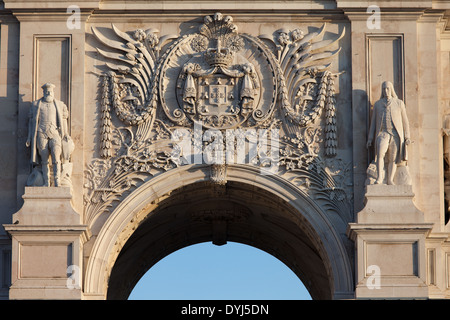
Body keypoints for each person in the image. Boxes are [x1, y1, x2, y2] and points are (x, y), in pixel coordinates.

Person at [367, 81, 411, 185]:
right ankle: (379, 178)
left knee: (393, 158)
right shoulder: (378, 104)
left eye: (387, 88)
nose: (386, 91)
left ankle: (390, 179)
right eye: (384, 89)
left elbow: (405, 122)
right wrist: (370, 138)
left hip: (395, 135)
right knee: (380, 154)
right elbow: (373, 123)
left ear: (391, 89)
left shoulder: (399, 103)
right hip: (383, 133)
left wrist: (407, 137)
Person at [26, 83, 70, 187]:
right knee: (44, 159)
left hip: (54, 133)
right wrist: (29, 137)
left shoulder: (59, 104)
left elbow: (63, 121)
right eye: (46, 91)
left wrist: (66, 134)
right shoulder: (36, 104)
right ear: (44, 92)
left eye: (50, 91)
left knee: (56, 156)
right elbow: (32, 123)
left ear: (53, 92)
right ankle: (46, 182)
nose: (48, 93)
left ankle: (57, 181)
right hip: (41, 133)